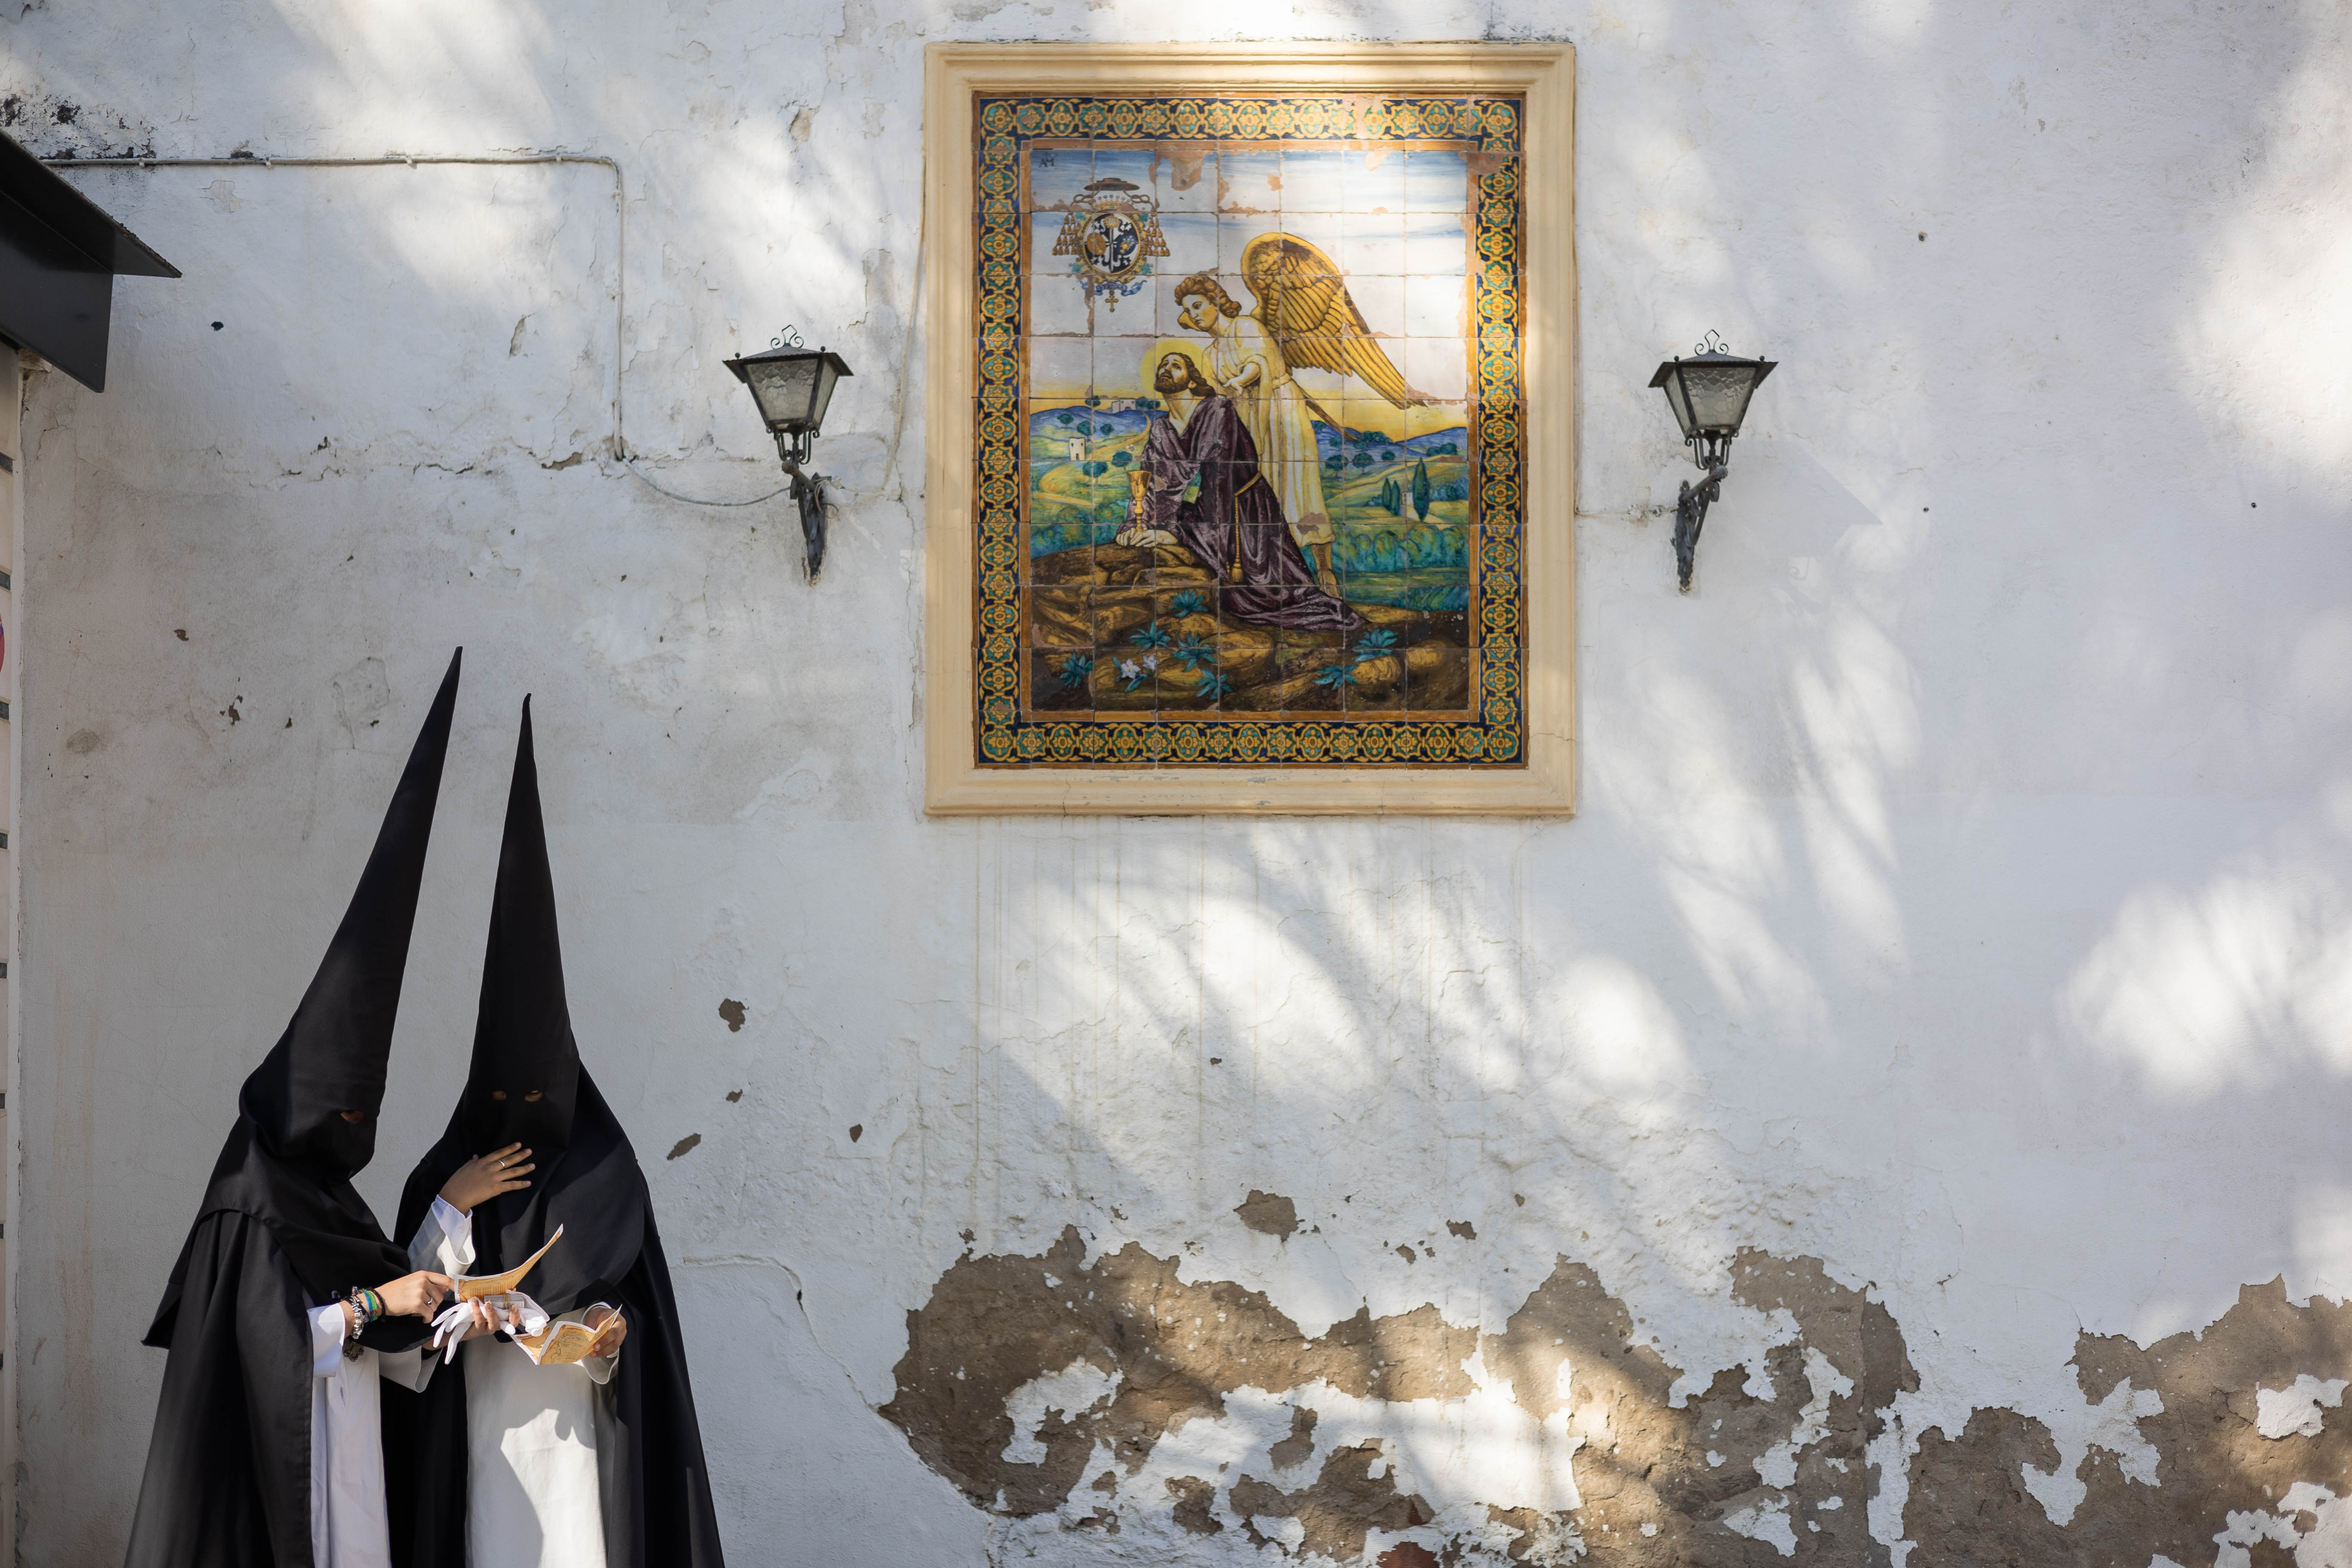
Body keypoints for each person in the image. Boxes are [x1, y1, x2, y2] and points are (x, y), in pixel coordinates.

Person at [125, 650, 465, 1568]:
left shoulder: (334, 1204)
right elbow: (260, 1355)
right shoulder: (248, 1204)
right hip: (274, 1486)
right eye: (341, 1107)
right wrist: (370, 1305)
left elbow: (397, 1356)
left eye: (366, 1110)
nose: (352, 1128)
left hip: (351, 1466)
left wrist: (442, 1296)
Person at [387, 697, 726, 1568]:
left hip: (574, 1431)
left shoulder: (605, 1170)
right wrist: (452, 1205)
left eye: (537, 1093)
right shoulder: (450, 1168)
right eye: (502, 1094)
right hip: (480, 1427)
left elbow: (632, 1324)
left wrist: (603, 1331)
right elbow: (406, 1306)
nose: (520, 1111)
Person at [1138, 347, 1360, 631]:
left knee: (1264, 594)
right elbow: (1153, 482)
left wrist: (1178, 533)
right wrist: (1139, 523)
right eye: (1162, 365)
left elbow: (1219, 481)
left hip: (1244, 511)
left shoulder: (1217, 409)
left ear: (1192, 381)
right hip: (1210, 513)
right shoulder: (1161, 429)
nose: (1166, 369)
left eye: (1176, 365)